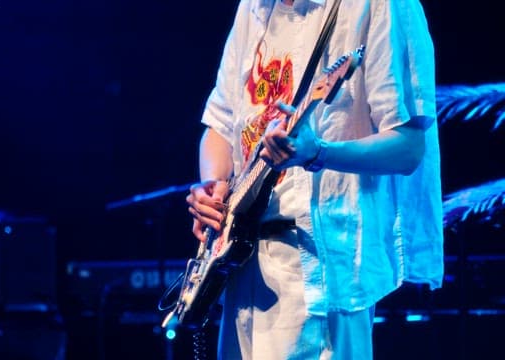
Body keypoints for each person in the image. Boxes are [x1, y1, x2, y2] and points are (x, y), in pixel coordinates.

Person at [185, 0, 443, 359]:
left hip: (320, 272)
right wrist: (213, 189)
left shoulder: (380, 5)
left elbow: (410, 147)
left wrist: (318, 152)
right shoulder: (255, 6)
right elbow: (221, 124)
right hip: (242, 261)